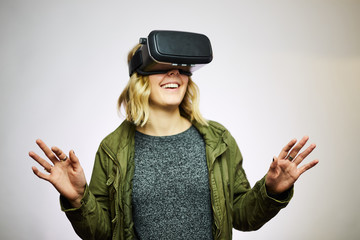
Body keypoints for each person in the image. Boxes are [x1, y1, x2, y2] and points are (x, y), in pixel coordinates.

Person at [29, 30, 319, 240]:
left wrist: (271, 192)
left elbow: (241, 216)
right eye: (163, 67)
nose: (175, 74)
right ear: (140, 78)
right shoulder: (113, 148)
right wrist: (78, 200)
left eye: (182, 68)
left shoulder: (218, 140)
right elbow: (104, 233)